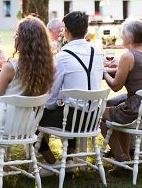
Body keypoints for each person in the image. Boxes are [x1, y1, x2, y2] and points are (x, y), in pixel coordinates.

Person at [0, 16, 55, 172]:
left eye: (16, 34)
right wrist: (5, 60)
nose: (14, 37)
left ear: (24, 40)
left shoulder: (10, 68)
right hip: (28, 125)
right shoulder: (47, 67)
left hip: (5, 125)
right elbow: (23, 70)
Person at [38, 11, 105, 166]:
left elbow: (53, 95)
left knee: (31, 118)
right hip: (93, 118)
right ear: (86, 31)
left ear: (66, 32)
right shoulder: (98, 52)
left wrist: (48, 106)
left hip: (73, 120)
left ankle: (52, 162)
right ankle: (68, 159)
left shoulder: (63, 56)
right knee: (71, 110)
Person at [101, 19, 142, 163]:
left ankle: (120, 157)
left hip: (137, 110)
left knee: (98, 113)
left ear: (130, 37)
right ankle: (126, 155)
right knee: (117, 112)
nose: (121, 36)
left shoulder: (128, 55)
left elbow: (115, 86)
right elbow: (138, 71)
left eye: (123, 33)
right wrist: (115, 69)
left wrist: (103, 72)